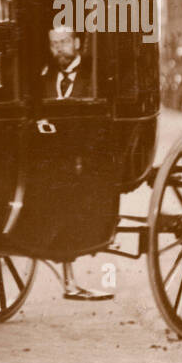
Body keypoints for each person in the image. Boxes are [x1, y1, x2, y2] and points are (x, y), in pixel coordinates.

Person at [41, 28, 112, 302]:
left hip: (86, 153)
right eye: (54, 44)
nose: (59, 49)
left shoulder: (94, 74)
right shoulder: (45, 76)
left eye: (64, 42)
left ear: (77, 43)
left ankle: (70, 275)